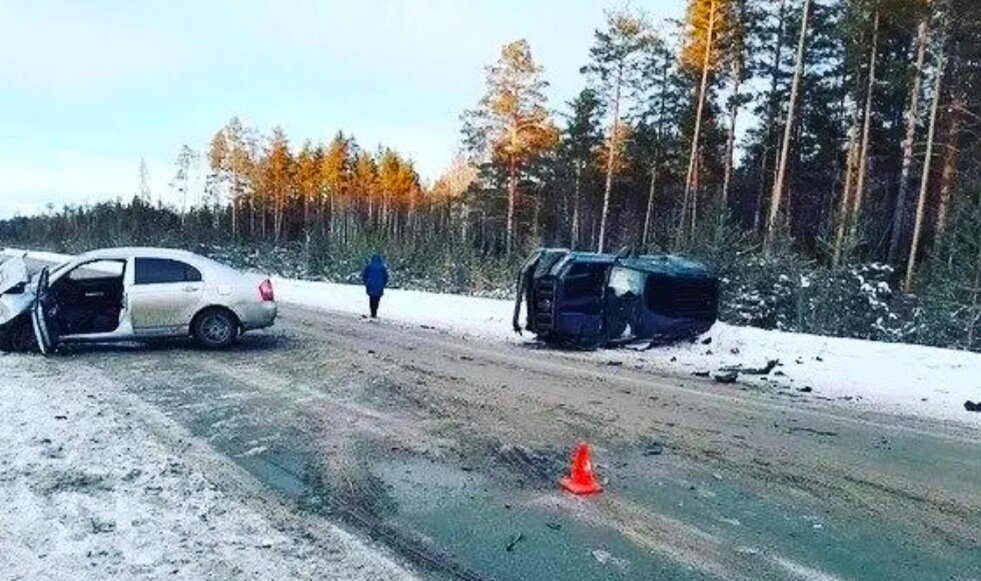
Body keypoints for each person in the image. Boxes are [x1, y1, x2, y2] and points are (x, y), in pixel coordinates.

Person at [361, 253, 389, 318]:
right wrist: (383, 284)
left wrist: (366, 283)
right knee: (377, 299)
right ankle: (375, 312)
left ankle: (372, 311)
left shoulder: (369, 266)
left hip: (370, 284)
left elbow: (364, 275)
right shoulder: (382, 267)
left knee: (371, 299)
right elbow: (386, 277)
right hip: (379, 285)